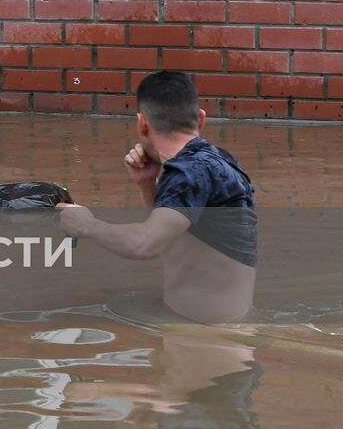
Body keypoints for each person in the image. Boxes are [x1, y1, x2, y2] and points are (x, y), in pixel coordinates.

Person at [56, 71, 257, 324]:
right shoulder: (214, 162)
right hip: (215, 333)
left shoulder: (190, 173)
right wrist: (147, 183)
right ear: (201, 119)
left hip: (205, 344)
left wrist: (87, 225)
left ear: (142, 123)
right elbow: (176, 230)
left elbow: (145, 244)